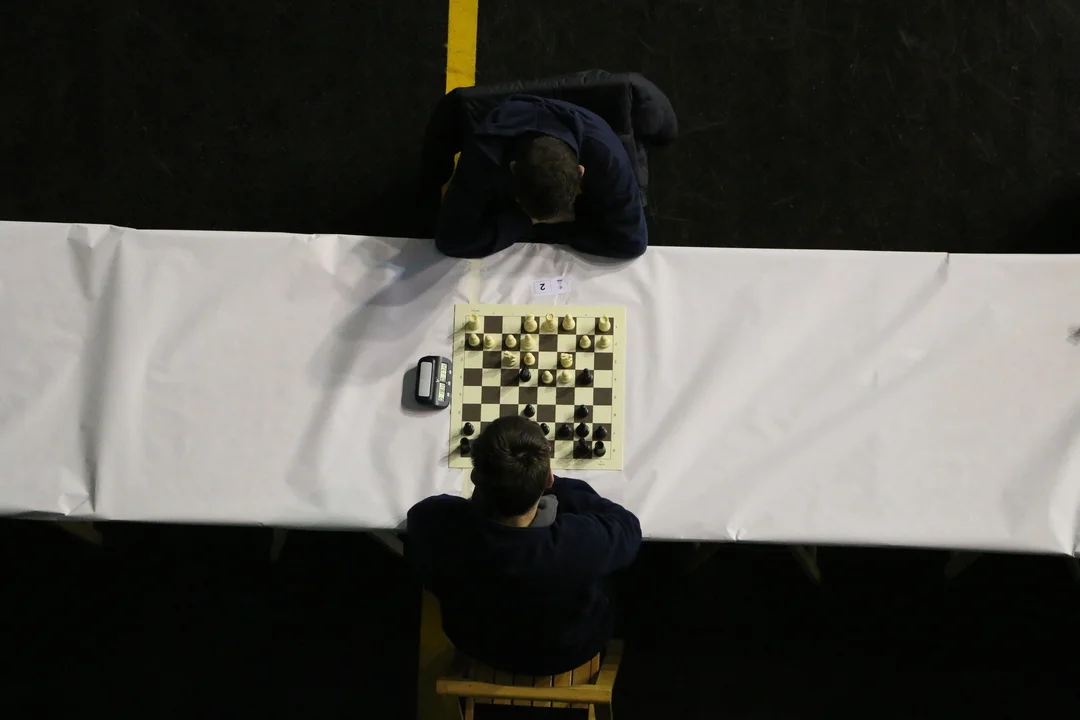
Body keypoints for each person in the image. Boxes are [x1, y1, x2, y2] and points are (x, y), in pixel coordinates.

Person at [406, 415, 642, 675]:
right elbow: (628, 527)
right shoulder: (579, 542)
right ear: (549, 481)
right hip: (570, 651)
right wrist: (555, 485)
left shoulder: (439, 529)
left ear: (474, 476)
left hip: (478, 644)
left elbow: (425, 511)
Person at [434, 95, 648, 260]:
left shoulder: (607, 156)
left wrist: (535, 227)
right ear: (512, 168)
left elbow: (633, 243)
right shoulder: (483, 155)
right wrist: (529, 221)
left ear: (581, 172)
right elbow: (451, 240)